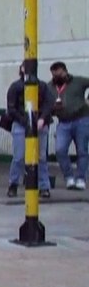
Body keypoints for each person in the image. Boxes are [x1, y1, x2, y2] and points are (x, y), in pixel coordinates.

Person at [4, 65, 55, 198]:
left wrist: (42, 119)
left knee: (41, 157)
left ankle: (44, 186)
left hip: (38, 124)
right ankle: (13, 184)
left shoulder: (42, 86)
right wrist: (27, 121)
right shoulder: (16, 87)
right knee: (19, 156)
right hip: (23, 124)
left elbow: (49, 104)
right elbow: (11, 108)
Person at [49, 61, 89, 191]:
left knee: (82, 150)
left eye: (59, 74)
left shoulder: (78, 81)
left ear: (65, 71)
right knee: (60, 150)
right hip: (63, 121)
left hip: (81, 119)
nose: (57, 77)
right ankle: (69, 177)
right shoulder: (50, 86)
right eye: (54, 75)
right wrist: (52, 109)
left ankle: (81, 179)